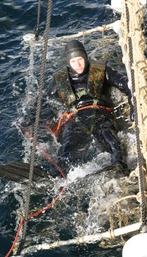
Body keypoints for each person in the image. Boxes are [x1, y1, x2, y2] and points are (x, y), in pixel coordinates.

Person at [19, 39, 133, 174]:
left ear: (85, 57)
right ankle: (59, 176)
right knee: (67, 148)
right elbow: (42, 102)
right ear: (68, 62)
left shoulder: (103, 72)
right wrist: (28, 118)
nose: (78, 64)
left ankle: (119, 164)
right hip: (74, 119)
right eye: (73, 61)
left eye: (80, 59)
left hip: (100, 114)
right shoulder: (59, 81)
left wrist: (133, 105)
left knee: (108, 137)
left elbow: (128, 85)